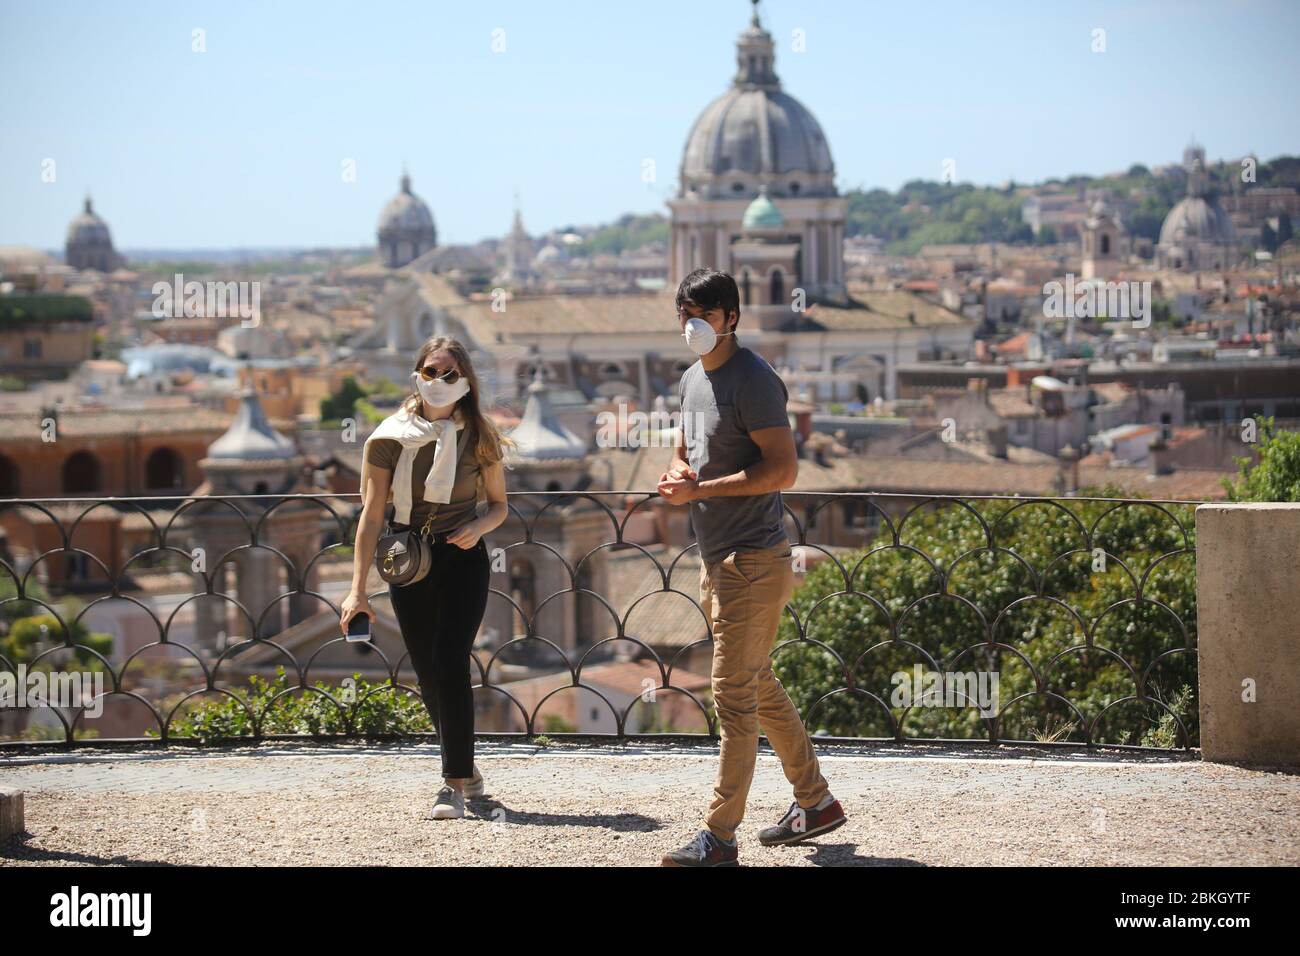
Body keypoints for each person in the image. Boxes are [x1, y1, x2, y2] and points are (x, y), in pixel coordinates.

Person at [658, 268, 846, 866]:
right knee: (757, 684)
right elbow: (686, 449)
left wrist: (702, 487)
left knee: (732, 696)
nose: (692, 325)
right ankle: (815, 803)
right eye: (685, 313)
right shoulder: (691, 380)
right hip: (721, 560)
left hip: (754, 559)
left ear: (731, 318)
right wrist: (680, 475)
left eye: (704, 315)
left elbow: (783, 471)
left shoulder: (755, 379)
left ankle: (719, 836)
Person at [341, 336, 510, 820]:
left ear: (466, 382)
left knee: (451, 659)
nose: (439, 381)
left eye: (449, 373)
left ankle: (452, 784)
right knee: (428, 672)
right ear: (417, 375)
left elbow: (499, 506)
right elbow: (371, 516)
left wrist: (475, 527)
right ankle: (468, 772)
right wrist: (357, 590)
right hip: (407, 556)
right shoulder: (389, 437)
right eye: (431, 371)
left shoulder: (480, 434)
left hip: (463, 556)